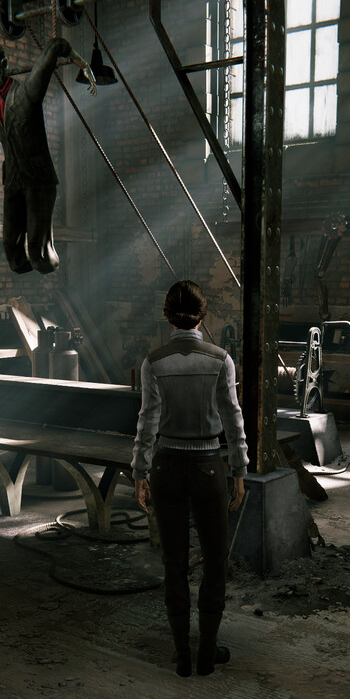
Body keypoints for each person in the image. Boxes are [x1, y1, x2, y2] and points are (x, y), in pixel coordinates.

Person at [132, 281, 248, 677]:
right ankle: (207, 654)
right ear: (203, 315)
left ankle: (183, 654)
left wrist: (140, 471)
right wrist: (239, 469)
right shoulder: (220, 359)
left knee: (174, 561)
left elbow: (147, 422)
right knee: (215, 560)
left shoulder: (154, 362)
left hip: (166, 466)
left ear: (168, 316)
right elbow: (233, 417)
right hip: (208, 467)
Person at [0, 39, 94, 275]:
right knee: (13, 254)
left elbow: (55, 45)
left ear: (3, 65)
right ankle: (32, 275)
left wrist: (84, 65)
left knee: (39, 256)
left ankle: (54, 265)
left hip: (37, 181)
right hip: (14, 180)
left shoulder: (27, 93)